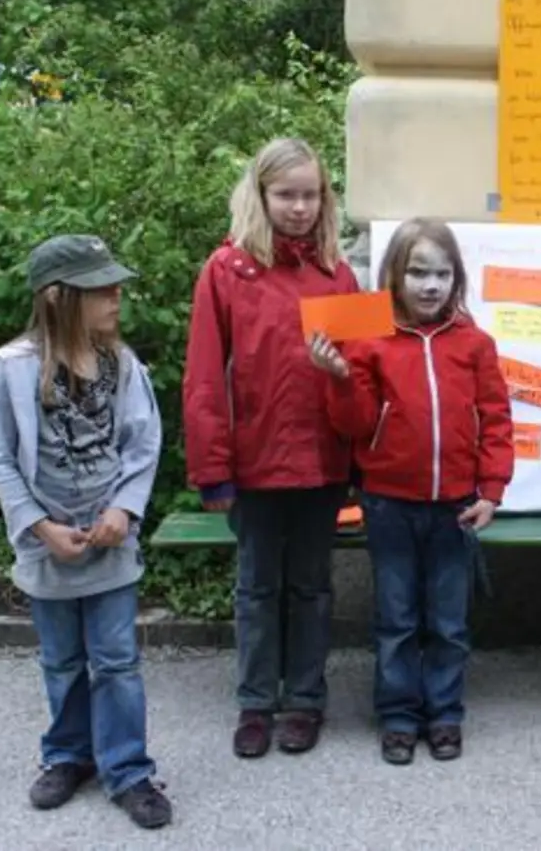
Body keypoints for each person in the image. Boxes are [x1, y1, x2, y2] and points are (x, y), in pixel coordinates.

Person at [0, 235, 171, 829]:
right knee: (62, 661)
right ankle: (67, 756)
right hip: (48, 547)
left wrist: (125, 511)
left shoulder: (122, 365)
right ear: (61, 297)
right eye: (102, 288)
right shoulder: (13, 370)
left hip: (110, 539)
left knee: (115, 660)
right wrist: (38, 526)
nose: (117, 297)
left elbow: (144, 443)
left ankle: (129, 769)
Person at [308, 218, 513, 766]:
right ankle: (398, 715)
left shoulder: (475, 344)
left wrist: (491, 489)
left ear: (457, 279)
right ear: (394, 276)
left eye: (442, 274)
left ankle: (444, 713)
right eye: (418, 272)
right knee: (397, 618)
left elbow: (496, 418)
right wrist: (338, 378)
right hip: (388, 502)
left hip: (456, 506)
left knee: (448, 620)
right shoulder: (370, 340)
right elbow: (355, 424)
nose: (430, 285)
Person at [183, 137, 361, 759]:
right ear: (260, 195)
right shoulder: (226, 271)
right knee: (258, 586)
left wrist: (362, 457)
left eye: (310, 195)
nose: (299, 207)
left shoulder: (338, 273)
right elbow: (205, 375)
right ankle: (256, 701)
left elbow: (361, 373)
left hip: (322, 460)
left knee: (311, 585)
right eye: (286, 194)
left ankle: (306, 700)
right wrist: (212, 470)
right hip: (253, 461)